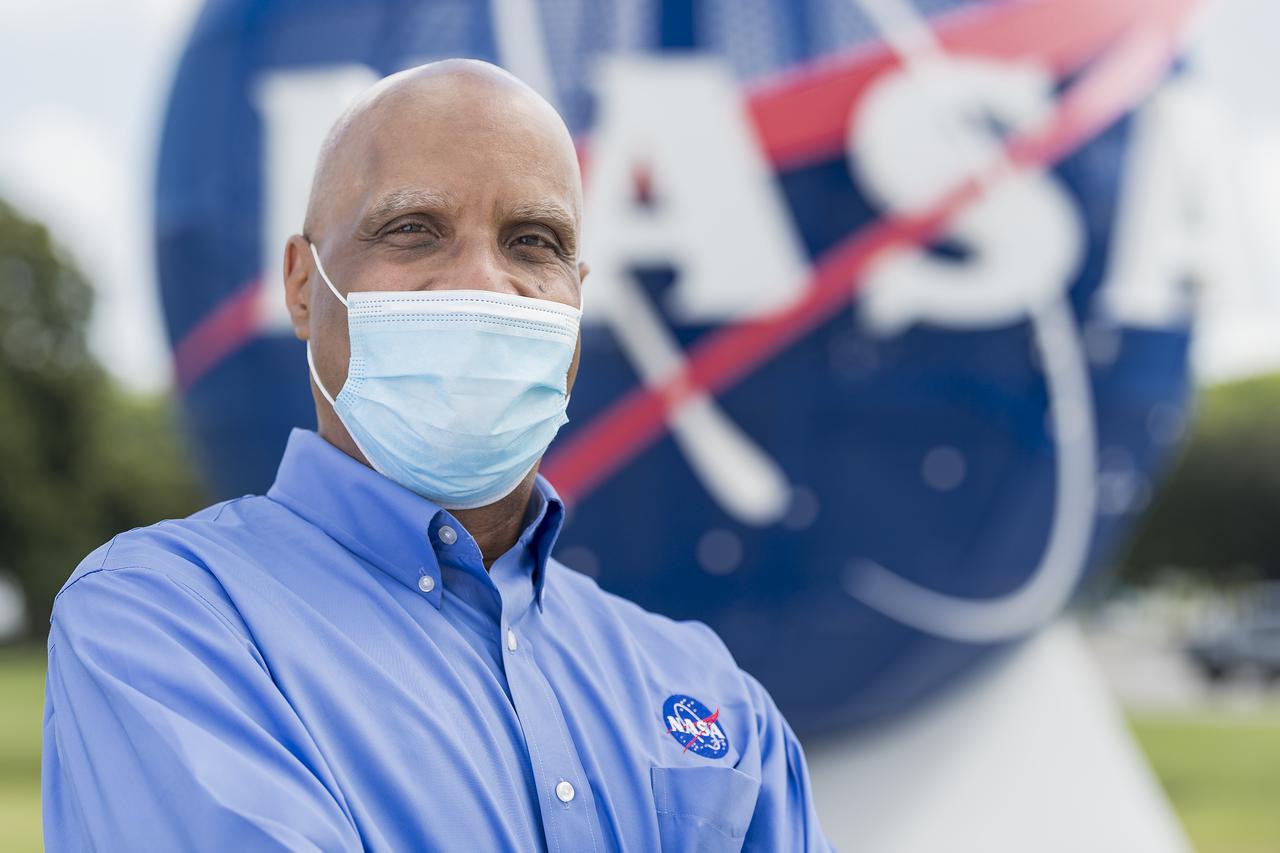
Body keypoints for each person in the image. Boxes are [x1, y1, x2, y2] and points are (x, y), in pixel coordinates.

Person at [41, 59, 833, 852]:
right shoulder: (166, 623)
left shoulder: (708, 692)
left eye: (534, 241)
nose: (484, 284)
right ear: (302, 285)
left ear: (578, 297)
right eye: (413, 228)